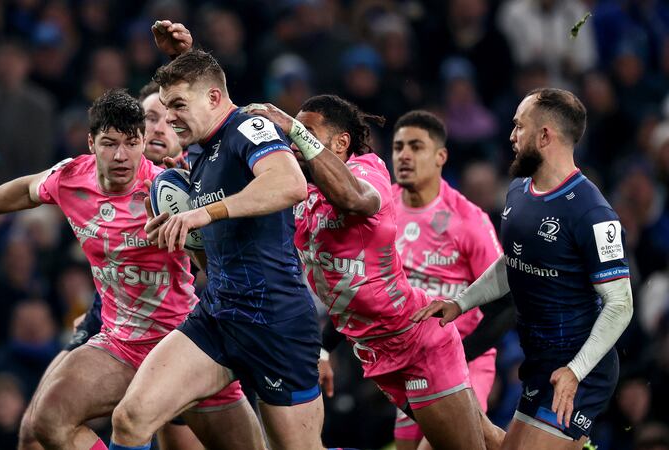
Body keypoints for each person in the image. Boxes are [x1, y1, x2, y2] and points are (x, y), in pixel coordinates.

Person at [0, 87, 264, 450]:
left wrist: (194, 222)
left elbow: (221, 260)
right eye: (110, 144)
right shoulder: (71, 178)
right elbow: (24, 190)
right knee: (46, 420)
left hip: (183, 343)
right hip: (121, 344)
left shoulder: (168, 188)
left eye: (131, 143)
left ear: (143, 142)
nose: (121, 155)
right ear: (91, 143)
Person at [246, 94, 503, 450]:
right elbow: (348, 287)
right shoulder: (302, 193)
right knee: (488, 439)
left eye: (307, 133)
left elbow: (353, 198)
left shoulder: (367, 171)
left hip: (417, 343)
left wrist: (293, 127)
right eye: (294, 134)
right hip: (374, 351)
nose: (295, 142)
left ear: (341, 143)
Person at [117, 48, 335, 450]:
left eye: (178, 105)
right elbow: (212, 254)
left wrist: (203, 214)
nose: (170, 118)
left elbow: (290, 184)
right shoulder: (198, 150)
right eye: (165, 107)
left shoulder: (249, 128)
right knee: (131, 417)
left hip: (275, 322)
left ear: (214, 98)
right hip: (218, 314)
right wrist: (183, 236)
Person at [413, 88, 634, 449]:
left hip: (580, 369)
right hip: (540, 363)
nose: (511, 136)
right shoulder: (518, 191)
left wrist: (575, 372)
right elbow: (513, 262)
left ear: (545, 136)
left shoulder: (592, 213)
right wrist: (460, 303)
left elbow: (621, 304)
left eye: (519, 126)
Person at [390, 110, 513, 450]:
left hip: (462, 362)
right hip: (409, 362)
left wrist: (461, 356)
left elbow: (507, 302)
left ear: (440, 156)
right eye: (398, 147)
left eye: (416, 147)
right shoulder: (382, 209)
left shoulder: (468, 219)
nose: (404, 155)